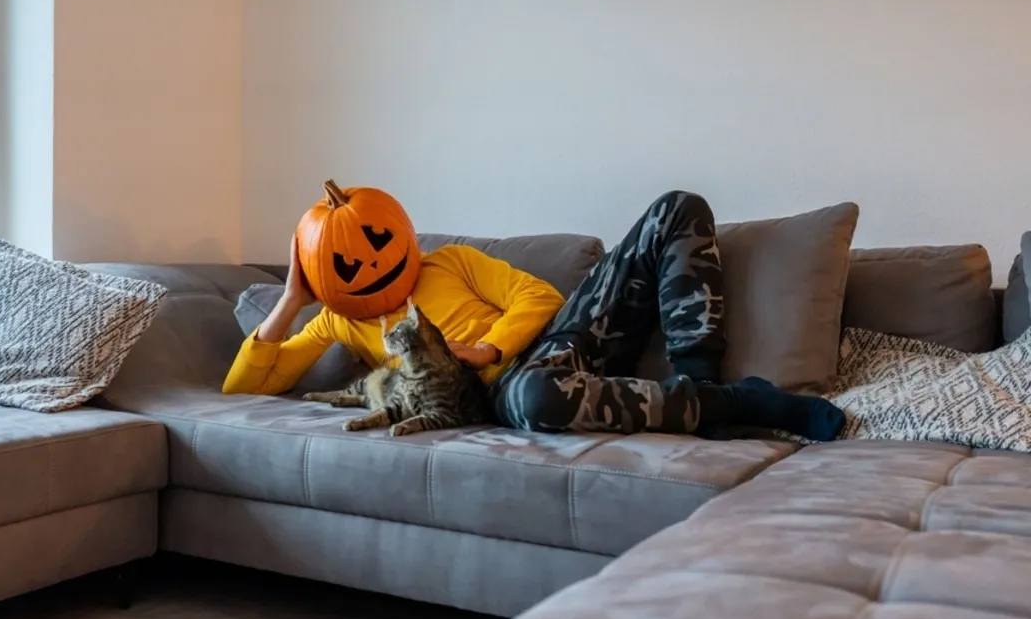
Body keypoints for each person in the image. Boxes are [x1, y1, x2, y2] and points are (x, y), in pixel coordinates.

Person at [224, 190, 845, 441]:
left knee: (678, 206)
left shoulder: (451, 262)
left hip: (559, 339)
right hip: (508, 393)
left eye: (379, 242)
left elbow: (539, 299)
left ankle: (703, 388)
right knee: (536, 398)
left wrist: (485, 349)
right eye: (345, 264)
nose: (370, 264)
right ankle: (732, 406)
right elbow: (244, 387)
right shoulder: (338, 319)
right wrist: (293, 298)